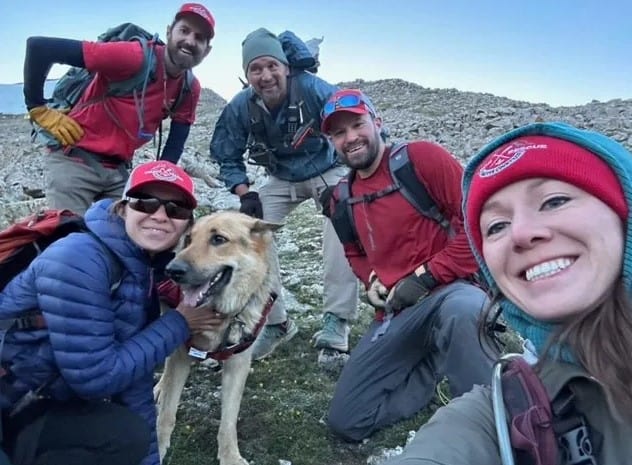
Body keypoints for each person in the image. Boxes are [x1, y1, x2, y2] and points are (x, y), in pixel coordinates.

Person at [385, 121, 632, 464]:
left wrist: (423, 277)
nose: (521, 233)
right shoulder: (499, 413)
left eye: (554, 201)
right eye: (496, 226)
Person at [0, 160, 221, 465]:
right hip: (12, 404)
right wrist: (179, 323)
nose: (159, 216)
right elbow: (95, 377)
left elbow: (135, 379)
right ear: (122, 208)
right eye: (145, 203)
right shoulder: (79, 258)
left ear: (187, 225)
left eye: (176, 209)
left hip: (31, 402)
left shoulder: (140, 269)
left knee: (126, 435)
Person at [320, 88, 495, 441]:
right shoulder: (341, 198)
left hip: (452, 293)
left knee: (464, 309)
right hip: (397, 313)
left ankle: (491, 423)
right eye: (339, 133)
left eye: (357, 124)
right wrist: (370, 281)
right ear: (331, 142)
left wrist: (427, 277)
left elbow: (476, 224)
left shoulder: (419, 159)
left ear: (377, 122)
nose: (350, 138)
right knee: (347, 421)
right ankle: (431, 370)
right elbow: (355, 252)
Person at [210, 28, 359, 361]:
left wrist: (352, 179)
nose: (265, 76)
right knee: (251, 236)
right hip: (279, 178)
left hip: (327, 169)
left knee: (342, 224)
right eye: (256, 69)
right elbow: (225, 151)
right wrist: (244, 191)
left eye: (271, 66)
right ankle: (275, 322)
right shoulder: (240, 107)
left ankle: (337, 321)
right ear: (247, 74)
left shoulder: (313, 88)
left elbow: (354, 125)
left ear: (286, 68)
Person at [23, 3, 215, 215]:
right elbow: (39, 47)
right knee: (69, 237)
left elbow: (176, 142)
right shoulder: (134, 57)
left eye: (199, 38)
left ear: (207, 50)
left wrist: (159, 183)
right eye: (184, 31)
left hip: (118, 170)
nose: (190, 41)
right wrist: (37, 108)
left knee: (127, 240)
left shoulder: (189, 87)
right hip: (73, 159)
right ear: (170, 31)